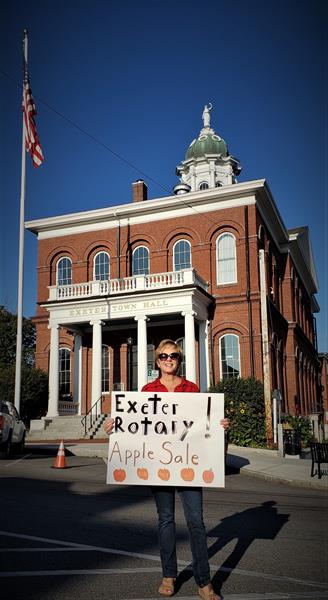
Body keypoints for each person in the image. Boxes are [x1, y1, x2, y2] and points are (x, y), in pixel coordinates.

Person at [104, 339, 229, 600]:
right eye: (163, 356)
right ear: (157, 360)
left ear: (179, 360)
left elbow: (203, 424)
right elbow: (136, 425)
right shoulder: (148, 390)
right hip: (159, 465)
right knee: (165, 520)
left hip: (188, 465)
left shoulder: (191, 389)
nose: (169, 359)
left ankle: (204, 582)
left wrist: (219, 425)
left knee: (196, 521)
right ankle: (168, 576)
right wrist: (115, 424)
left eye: (174, 356)